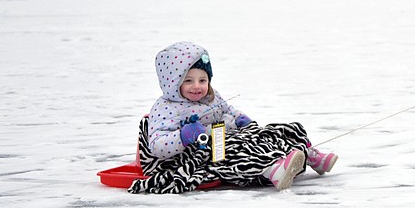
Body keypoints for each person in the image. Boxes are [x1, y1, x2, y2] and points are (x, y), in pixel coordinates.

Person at [130, 40, 337, 194]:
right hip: (200, 152)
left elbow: (226, 110)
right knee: (236, 149)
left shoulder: (211, 95)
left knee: (275, 131)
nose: (197, 86)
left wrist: (239, 118)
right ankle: (272, 169)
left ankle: (309, 155)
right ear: (172, 83)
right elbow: (157, 145)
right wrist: (184, 136)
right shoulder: (167, 108)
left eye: (203, 80)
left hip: (226, 136)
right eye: (189, 80)